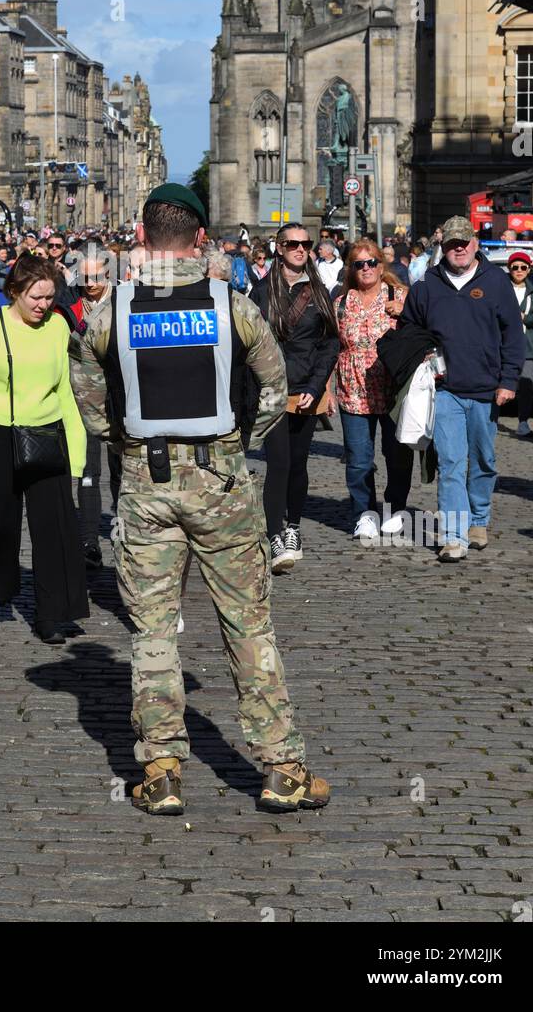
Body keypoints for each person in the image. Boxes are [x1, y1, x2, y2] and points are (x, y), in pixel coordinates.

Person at [71, 183, 330, 816]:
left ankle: (161, 769)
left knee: (153, 631)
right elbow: (277, 388)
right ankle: (280, 768)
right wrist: (238, 443)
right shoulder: (231, 304)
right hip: (220, 482)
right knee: (248, 623)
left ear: (140, 239)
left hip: (146, 482)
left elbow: (86, 395)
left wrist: (129, 445)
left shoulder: (112, 310)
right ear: (200, 240)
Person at [0, 251, 89, 644]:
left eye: (50, 298)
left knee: (54, 529)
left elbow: (66, 391)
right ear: (14, 290)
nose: (43, 306)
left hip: (47, 435)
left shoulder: (58, 328)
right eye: (36, 298)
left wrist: (77, 452)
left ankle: (52, 613)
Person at [401, 216, 523, 562]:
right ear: (443, 247)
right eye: (452, 244)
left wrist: (509, 381)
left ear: (475, 245)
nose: (458, 249)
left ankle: (479, 519)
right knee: (452, 462)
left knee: (483, 460)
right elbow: (409, 327)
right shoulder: (427, 285)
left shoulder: (496, 283)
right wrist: (421, 350)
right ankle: (454, 535)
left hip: (486, 390)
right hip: (446, 390)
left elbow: (512, 335)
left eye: (464, 243)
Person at [250, 224, 339, 574]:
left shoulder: (320, 292)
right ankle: (274, 534)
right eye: (293, 244)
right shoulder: (260, 292)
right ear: (279, 248)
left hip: (306, 390)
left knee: (298, 464)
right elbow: (250, 342)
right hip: (272, 391)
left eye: (306, 244)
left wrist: (317, 388)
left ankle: (294, 528)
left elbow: (330, 344)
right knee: (279, 463)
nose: (300, 249)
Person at [334, 240, 413, 540]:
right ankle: (364, 515)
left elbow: (422, 332)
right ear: (351, 270)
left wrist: (405, 312)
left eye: (371, 263)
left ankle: (395, 511)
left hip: (393, 387)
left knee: (397, 454)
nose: (365, 268)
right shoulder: (341, 303)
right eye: (359, 264)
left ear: (381, 266)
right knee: (358, 458)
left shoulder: (401, 296)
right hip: (352, 388)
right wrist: (327, 391)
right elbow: (333, 347)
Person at [72, 248, 121, 569]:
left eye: (98, 276)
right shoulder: (69, 308)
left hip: (119, 399)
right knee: (89, 472)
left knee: (122, 469)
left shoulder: (124, 304)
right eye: (85, 276)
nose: (91, 283)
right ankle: (89, 539)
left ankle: (122, 524)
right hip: (81, 400)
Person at [506, 251, 533, 439]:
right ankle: (489, 422)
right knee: (493, 384)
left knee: (525, 386)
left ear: (529, 270)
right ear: (510, 269)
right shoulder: (501, 288)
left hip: (526, 347)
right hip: (501, 345)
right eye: (515, 267)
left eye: (523, 267)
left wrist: (526, 318)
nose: (519, 270)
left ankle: (523, 423)